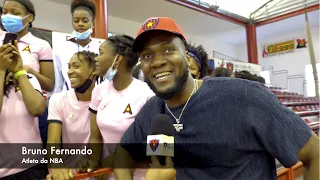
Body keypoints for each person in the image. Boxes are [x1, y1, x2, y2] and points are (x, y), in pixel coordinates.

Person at [114, 17, 319, 180]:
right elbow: (123, 152)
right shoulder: (153, 110)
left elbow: (315, 153)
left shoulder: (246, 96)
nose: (157, 61)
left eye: (168, 49)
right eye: (147, 56)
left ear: (186, 56)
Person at [77, 35, 154, 179]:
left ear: (117, 59)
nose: (96, 59)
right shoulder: (99, 91)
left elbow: (149, 148)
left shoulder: (146, 96)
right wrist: (92, 161)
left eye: (100, 53)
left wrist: (110, 161)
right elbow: (95, 138)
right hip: (106, 173)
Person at [46, 51, 98, 180]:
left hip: (99, 172)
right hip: (69, 174)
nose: (69, 72)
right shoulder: (58, 100)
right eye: (69, 67)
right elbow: (53, 142)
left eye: (76, 66)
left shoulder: (105, 98)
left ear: (94, 70)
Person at [0, 42, 47, 179]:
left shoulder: (28, 79)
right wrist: (1, 71)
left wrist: (19, 72)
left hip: (32, 167)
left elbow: (37, 109)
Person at [1, 0, 54, 92]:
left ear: (29, 18)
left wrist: (27, 71)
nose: (8, 16)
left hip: (28, 103)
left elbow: (49, 85)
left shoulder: (41, 45)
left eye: (15, 13)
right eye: (5, 12)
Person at [52, 0, 101, 94]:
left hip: (97, 101)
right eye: (76, 21)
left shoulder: (100, 48)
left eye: (85, 20)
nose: (80, 24)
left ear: (93, 23)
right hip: (69, 102)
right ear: (72, 23)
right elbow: (58, 82)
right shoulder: (61, 49)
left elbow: (107, 78)